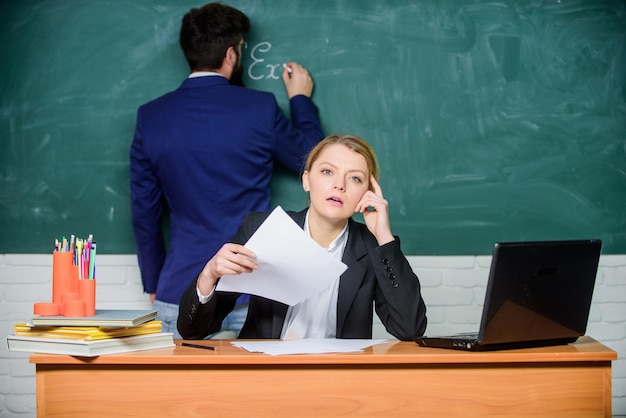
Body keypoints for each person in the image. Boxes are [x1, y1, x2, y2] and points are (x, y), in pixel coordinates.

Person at [130, 3, 324, 338]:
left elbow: (144, 215)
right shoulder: (261, 108)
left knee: (182, 393)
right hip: (255, 291)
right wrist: (300, 100)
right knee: (257, 393)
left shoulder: (151, 117)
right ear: (231, 54)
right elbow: (315, 161)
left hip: (181, 290)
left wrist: (154, 281)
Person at [178, 134, 427, 340]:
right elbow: (194, 331)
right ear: (307, 180)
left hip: (339, 381)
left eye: (355, 178)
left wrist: (384, 236)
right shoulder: (262, 228)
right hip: (266, 376)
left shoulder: (372, 246)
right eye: (327, 172)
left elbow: (410, 329)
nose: (339, 185)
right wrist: (209, 274)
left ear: (368, 193)